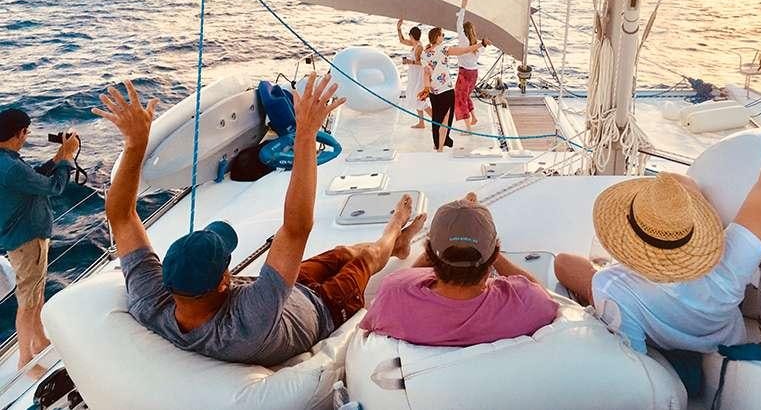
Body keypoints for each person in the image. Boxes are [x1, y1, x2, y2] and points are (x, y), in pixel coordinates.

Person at [92, 74, 427, 366]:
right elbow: (297, 229)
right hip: (324, 307)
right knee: (366, 258)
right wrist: (306, 135)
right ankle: (394, 235)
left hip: (287, 290)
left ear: (166, 279)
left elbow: (120, 216)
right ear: (224, 282)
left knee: (343, 251)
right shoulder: (246, 322)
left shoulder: (151, 301)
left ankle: (393, 243)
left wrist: (136, 143)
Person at [554, 47, 761, 354]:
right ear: (700, 226)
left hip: (664, 346)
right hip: (722, 349)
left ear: (629, 239)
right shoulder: (730, 263)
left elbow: (634, 357)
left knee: (564, 262)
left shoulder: (614, 285)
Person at [361, 192, 558, 346]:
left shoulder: (394, 296)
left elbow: (405, 280)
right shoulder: (525, 301)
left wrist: (438, 247)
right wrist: (491, 251)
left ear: (428, 252)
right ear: (494, 255)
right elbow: (543, 295)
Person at [0, 108, 78, 369]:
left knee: (35, 294)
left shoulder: (7, 160)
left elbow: (33, 178)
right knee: (27, 303)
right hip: (27, 240)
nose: (27, 136)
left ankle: (40, 340)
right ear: (19, 133)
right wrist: (67, 158)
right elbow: (55, 187)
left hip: (23, 238)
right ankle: (26, 360)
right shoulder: (10, 168)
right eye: (26, 132)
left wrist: (58, 158)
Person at [420, 26, 482, 151]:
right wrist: (481, 44)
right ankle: (440, 149)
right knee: (445, 120)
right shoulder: (443, 49)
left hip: (433, 91)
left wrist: (426, 89)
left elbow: (426, 73)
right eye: (442, 35)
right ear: (437, 37)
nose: (443, 37)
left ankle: (437, 144)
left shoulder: (424, 54)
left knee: (436, 119)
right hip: (446, 90)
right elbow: (465, 50)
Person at [454, 0, 489, 132]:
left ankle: (468, 128)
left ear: (465, 31)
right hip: (474, 73)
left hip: (464, 73)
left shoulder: (464, 41)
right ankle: (473, 117)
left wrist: (463, 7)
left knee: (460, 98)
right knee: (466, 96)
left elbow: (458, 23)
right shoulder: (477, 45)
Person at [396, 19, 431, 129]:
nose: (409, 37)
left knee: (420, 99)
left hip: (418, 76)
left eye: (409, 35)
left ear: (412, 35)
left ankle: (436, 120)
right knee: (417, 100)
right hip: (414, 75)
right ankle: (421, 123)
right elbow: (402, 40)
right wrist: (398, 28)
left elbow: (421, 63)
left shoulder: (419, 47)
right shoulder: (414, 44)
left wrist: (409, 62)